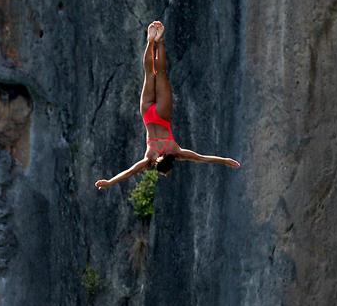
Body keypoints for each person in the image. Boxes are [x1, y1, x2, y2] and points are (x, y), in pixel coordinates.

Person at [95, 20, 241, 190]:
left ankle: (159, 40)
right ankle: (150, 41)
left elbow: (202, 158)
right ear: (157, 164)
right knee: (150, 73)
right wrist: (109, 182)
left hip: (162, 115)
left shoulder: (176, 152)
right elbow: (129, 172)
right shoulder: (149, 158)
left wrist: (224, 160)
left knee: (161, 73)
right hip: (148, 115)